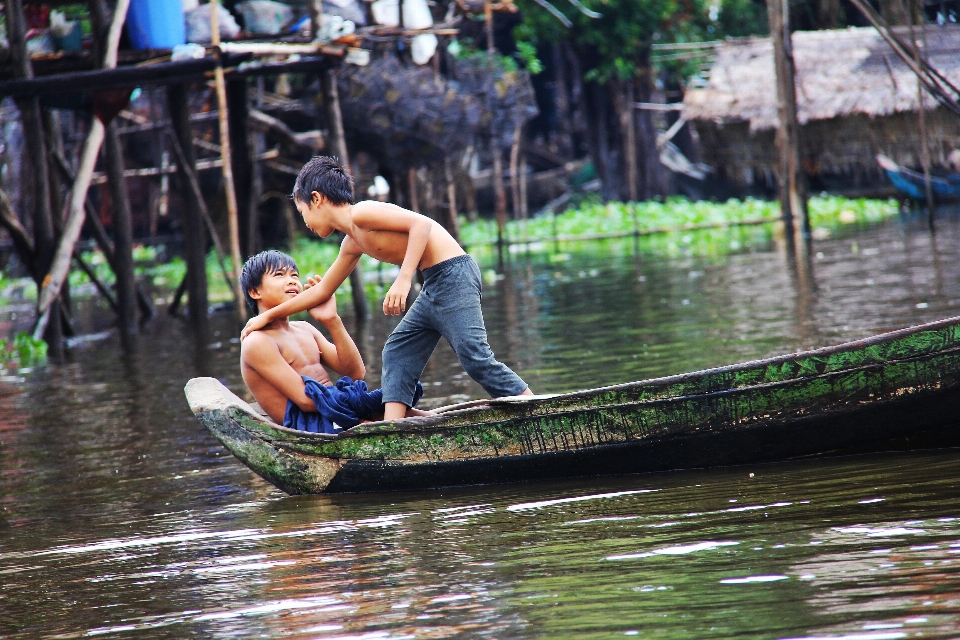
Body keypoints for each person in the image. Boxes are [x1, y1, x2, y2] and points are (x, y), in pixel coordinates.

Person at [240, 156, 533, 421]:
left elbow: (421, 225)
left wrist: (404, 279)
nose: (304, 222)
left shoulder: (362, 213)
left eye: (302, 211)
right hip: (434, 282)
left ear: (316, 199)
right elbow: (320, 292)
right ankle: (393, 428)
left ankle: (532, 407)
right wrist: (267, 316)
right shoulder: (351, 242)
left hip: (453, 273)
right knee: (397, 350)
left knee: (475, 357)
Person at [239, 249, 426, 434]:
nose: (292, 281)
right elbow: (306, 402)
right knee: (391, 406)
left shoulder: (305, 329)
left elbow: (355, 373)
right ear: (255, 291)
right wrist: (359, 404)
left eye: (294, 275)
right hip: (310, 424)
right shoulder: (257, 341)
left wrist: (332, 320)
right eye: (279, 275)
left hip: (335, 409)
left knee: (403, 397)